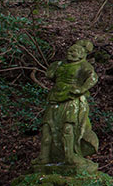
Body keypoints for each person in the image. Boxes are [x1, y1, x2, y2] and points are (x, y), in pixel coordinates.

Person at [33, 40, 99, 174]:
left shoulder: (83, 65)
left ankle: (70, 155)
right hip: (55, 99)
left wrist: (81, 89)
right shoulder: (60, 65)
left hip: (71, 100)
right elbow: (50, 75)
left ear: (81, 54)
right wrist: (53, 68)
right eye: (69, 51)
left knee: (69, 128)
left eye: (74, 52)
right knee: (47, 128)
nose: (71, 54)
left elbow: (93, 78)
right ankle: (44, 156)